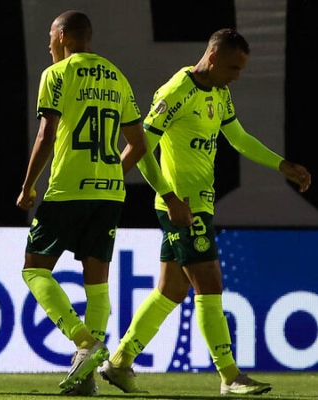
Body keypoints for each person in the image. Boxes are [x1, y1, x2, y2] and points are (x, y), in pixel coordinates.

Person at [98, 28, 311, 396]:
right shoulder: (174, 93)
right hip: (181, 205)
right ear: (212, 58)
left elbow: (239, 137)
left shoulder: (220, 93)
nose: (236, 76)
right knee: (210, 284)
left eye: (241, 69)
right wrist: (170, 197)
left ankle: (119, 363)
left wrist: (282, 166)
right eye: (232, 67)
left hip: (198, 204)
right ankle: (230, 376)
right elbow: (142, 148)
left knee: (171, 290)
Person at [15, 10, 147, 397]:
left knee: (34, 269)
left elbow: (46, 134)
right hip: (109, 191)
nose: (48, 45)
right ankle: (85, 377)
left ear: (62, 36)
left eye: (50, 37)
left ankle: (84, 342)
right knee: (97, 282)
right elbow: (138, 145)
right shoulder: (117, 76)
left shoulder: (56, 74)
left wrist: (27, 186)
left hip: (68, 188)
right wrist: (109, 175)